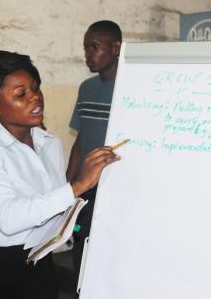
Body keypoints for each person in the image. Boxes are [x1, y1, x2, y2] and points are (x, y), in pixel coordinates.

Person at [0, 50, 119, 298]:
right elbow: (9, 218)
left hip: (40, 260)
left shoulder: (48, 142)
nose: (35, 97)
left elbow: (54, 204)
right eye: (21, 94)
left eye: (35, 88)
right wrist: (77, 185)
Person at [66, 20, 122, 275]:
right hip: (88, 187)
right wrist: (70, 182)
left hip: (119, 188)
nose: (88, 54)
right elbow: (81, 138)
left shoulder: (130, 88)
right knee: (83, 247)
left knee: (113, 252)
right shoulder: (86, 89)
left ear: (116, 48)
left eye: (94, 47)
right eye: (86, 48)